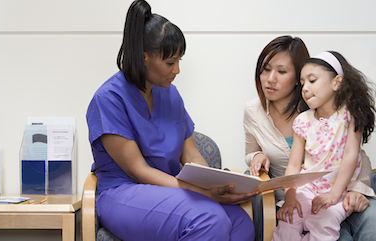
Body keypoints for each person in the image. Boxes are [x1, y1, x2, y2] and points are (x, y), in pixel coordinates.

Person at [86, 1, 256, 240]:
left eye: (179, 61)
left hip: (170, 190)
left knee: (240, 222)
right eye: (169, 62)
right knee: (209, 218)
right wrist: (203, 193)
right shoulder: (109, 98)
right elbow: (140, 171)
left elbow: (191, 155)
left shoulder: (170, 94)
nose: (177, 70)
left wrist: (217, 184)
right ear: (144, 57)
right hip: (124, 193)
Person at [244, 36, 376, 240]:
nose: (270, 79)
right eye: (265, 69)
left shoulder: (326, 108)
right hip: (298, 191)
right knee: (290, 222)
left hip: (340, 189)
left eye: (281, 71)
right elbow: (262, 155)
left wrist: (354, 190)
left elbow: (355, 155)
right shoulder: (261, 112)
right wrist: (256, 156)